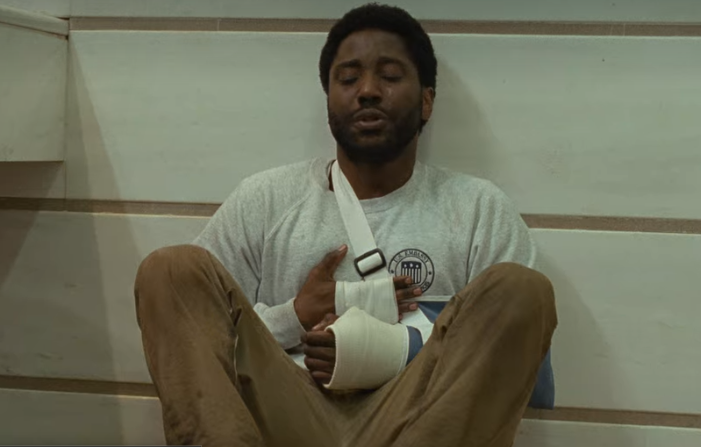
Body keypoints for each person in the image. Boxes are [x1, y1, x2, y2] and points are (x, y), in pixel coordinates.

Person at [134, 3, 557, 447]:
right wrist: (294, 316)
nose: (368, 90)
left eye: (389, 76)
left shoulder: (477, 209)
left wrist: (393, 350)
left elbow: (531, 377)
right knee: (170, 270)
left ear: (426, 100)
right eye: (349, 78)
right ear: (329, 100)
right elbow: (201, 341)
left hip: (417, 422)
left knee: (520, 288)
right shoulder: (265, 199)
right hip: (284, 411)